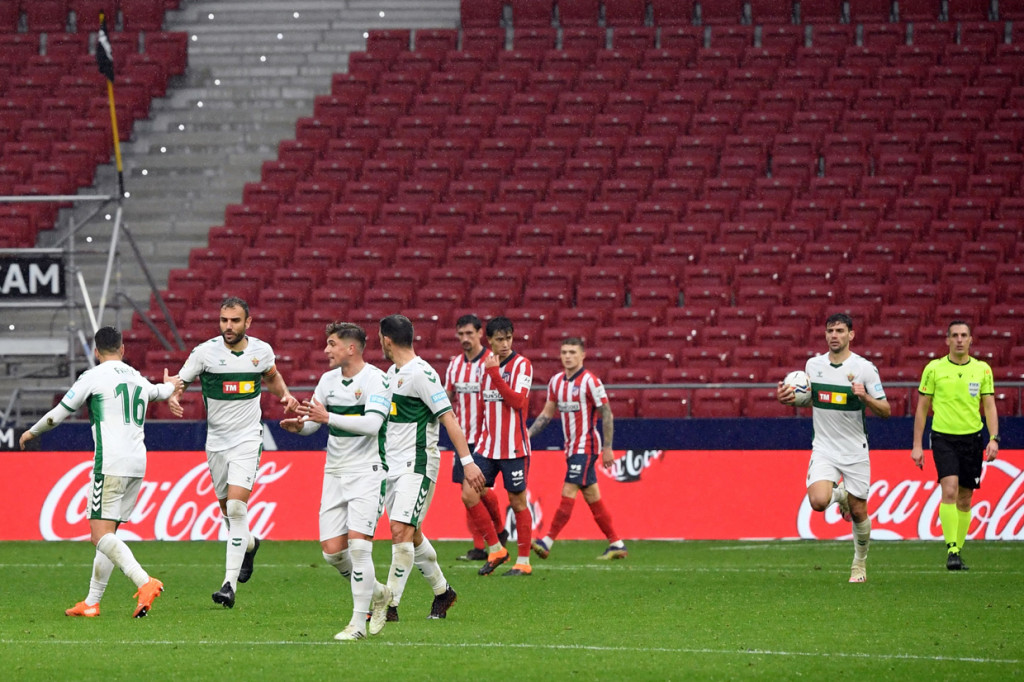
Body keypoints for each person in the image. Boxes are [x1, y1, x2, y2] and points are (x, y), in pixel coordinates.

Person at [19, 326, 182, 618]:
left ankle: (145, 581)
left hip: (110, 464)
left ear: (96, 352)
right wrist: (173, 386)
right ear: (122, 350)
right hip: (137, 465)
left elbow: (58, 414)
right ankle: (92, 602)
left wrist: (32, 431)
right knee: (110, 534)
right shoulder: (136, 377)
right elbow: (162, 390)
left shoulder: (92, 376)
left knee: (98, 535)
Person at [169, 296, 298, 608]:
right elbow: (180, 381)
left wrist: (285, 395)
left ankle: (228, 585)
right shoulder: (204, 353)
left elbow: (271, 375)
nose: (228, 326)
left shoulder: (261, 351)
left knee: (238, 509)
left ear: (247, 323)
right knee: (229, 514)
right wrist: (173, 395)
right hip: (216, 443)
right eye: (224, 320)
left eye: (235, 321)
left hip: (247, 440)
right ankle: (250, 544)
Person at [370, 314, 486, 634]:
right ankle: (443, 592)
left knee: (400, 532)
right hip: (393, 467)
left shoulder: (422, 374)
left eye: (380, 338)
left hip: (418, 465)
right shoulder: (391, 374)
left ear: (387, 340)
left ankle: (389, 605)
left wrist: (468, 461)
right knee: (412, 534)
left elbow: (449, 419)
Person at [280, 322, 393, 640]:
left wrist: (327, 418)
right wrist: (299, 427)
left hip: (367, 471)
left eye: (332, 344)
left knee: (359, 548)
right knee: (332, 552)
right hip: (335, 473)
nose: (326, 350)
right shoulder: (327, 381)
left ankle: (358, 625)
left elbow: (372, 424)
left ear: (351, 348)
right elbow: (313, 423)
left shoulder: (376, 380)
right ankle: (380, 592)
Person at [777, 312, 890, 583]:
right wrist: (788, 399)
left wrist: (865, 398)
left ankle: (859, 564)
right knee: (817, 501)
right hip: (824, 447)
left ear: (851, 335)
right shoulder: (813, 366)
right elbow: (810, 399)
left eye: (840, 331)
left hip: (855, 449)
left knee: (859, 511)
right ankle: (840, 496)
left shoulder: (865, 368)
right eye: (830, 331)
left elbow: (885, 410)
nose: (834, 336)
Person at [911, 320, 1000, 571]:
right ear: (947, 340)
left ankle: (958, 551)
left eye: (964, 335)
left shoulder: (982, 370)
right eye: (954, 335)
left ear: (971, 340)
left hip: (972, 439)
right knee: (948, 490)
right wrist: (917, 445)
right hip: (943, 438)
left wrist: (994, 438)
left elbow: (990, 405)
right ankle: (951, 548)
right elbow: (922, 408)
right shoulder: (934, 368)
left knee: (965, 498)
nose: (959, 339)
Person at [527, 338, 627, 560]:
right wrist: (527, 435)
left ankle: (547, 540)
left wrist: (608, 448)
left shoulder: (591, 382)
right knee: (592, 496)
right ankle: (616, 543)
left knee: (569, 490)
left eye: (572, 352)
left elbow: (607, 413)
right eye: (564, 352)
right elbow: (546, 414)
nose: (568, 356)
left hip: (587, 446)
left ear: (583, 355)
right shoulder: (555, 382)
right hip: (571, 448)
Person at [463, 316, 535, 577]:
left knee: (517, 501)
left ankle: (523, 561)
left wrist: (495, 373)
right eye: (499, 339)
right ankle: (496, 549)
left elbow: (517, 402)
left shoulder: (522, 366)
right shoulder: (484, 368)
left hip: (514, 447)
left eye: (508, 338)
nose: (505, 344)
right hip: (487, 446)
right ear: (489, 340)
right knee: (469, 493)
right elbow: (484, 408)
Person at [443, 313, 508, 561]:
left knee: (472, 492)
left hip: (484, 438)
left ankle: (489, 541)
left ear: (481, 333)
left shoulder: (491, 363)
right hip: (461, 437)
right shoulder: (454, 365)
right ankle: (491, 538)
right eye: (461, 334)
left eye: (470, 333)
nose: (465, 338)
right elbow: (448, 397)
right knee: (472, 492)